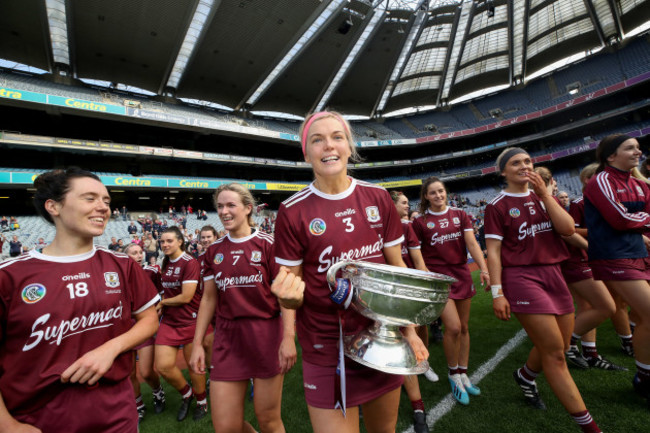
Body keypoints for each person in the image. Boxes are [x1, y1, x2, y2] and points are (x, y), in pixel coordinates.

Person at [270, 111, 427, 433]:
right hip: (326, 346)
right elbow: (291, 284)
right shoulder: (292, 211)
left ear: (349, 146)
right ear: (306, 152)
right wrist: (288, 323)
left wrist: (409, 332)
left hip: (380, 337)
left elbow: (398, 270)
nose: (328, 146)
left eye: (337, 137)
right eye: (317, 139)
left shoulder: (378, 197)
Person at [0, 167, 159, 432]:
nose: (103, 207)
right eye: (90, 198)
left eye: (106, 201)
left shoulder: (122, 265)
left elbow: (149, 318)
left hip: (116, 411)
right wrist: (7, 426)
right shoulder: (10, 276)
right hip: (37, 419)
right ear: (54, 206)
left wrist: (110, 348)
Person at [485, 148, 601, 432]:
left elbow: (566, 231)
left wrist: (546, 195)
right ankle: (589, 426)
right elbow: (495, 252)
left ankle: (525, 376)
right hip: (521, 277)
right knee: (556, 354)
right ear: (503, 172)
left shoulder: (543, 197)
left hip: (554, 274)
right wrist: (497, 293)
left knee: (558, 345)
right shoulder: (497, 206)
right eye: (515, 163)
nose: (523, 166)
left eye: (527, 161)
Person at [190, 184, 296, 433]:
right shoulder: (213, 251)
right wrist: (197, 343)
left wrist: (289, 337)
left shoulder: (269, 245)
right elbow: (208, 299)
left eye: (231, 205)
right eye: (220, 206)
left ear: (248, 208)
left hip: (265, 335)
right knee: (226, 426)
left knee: (268, 419)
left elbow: (285, 295)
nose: (224, 211)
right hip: (228, 338)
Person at [584, 134, 650, 410]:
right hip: (613, 257)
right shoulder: (600, 181)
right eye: (630, 147)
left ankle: (643, 375)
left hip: (638, 253)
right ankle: (645, 380)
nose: (638, 151)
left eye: (637, 147)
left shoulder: (638, 183)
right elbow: (620, 219)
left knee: (641, 315)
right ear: (611, 156)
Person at [412, 177, 489, 405]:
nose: (438, 196)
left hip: (462, 275)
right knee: (453, 327)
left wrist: (484, 268)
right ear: (426, 196)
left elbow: (472, 244)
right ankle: (453, 373)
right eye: (433, 193)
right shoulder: (420, 222)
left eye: (441, 191)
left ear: (446, 193)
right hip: (439, 280)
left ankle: (463, 373)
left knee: (464, 328)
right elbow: (417, 254)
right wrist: (428, 277)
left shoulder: (459, 214)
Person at [559, 164, 626, 371]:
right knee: (604, 306)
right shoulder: (580, 203)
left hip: (593, 256)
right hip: (578, 258)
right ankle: (567, 344)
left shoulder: (606, 200)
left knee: (590, 307)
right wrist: (598, 233)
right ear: (588, 179)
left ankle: (590, 353)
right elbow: (569, 231)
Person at [154, 226, 208, 422]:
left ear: (180, 241)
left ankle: (202, 402)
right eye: (162, 241)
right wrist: (162, 303)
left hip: (190, 319)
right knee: (163, 366)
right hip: (170, 321)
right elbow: (166, 290)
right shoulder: (165, 262)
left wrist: (162, 303)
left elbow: (186, 297)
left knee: (195, 366)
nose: (165, 244)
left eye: (169, 241)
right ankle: (187, 394)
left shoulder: (189, 262)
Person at [390, 190, 432, 433]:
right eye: (402, 202)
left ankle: (418, 408)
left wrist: (423, 290)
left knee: (407, 345)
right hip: (382, 295)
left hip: (405, 292)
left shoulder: (407, 229)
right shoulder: (372, 229)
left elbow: (418, 263)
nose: (407, 206)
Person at [123, 242, 166, 423]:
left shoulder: (152, 271)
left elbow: (162, 294)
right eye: (134, 253)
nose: (139, 255)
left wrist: (159, 309)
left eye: (140, 252)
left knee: (146, 372)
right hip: (124, 328)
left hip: (143, 325)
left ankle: (158, 392)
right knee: (130, 373)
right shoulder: (117, 275)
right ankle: (139, 406)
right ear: (126, 256)